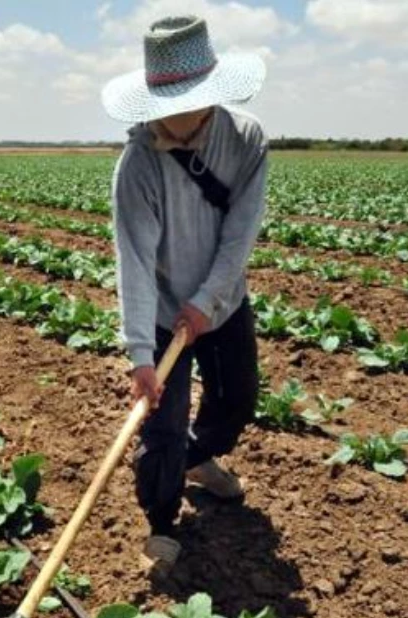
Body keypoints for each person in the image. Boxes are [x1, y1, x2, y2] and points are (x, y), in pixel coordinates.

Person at [101, 15, 268, 575]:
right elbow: (136, 263)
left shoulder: (246, 141)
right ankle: (161, 521)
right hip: (161, 311)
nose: (178, 114)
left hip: (221, 302)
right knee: (163, 423)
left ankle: (193, 462)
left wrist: (207, 302)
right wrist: (141, 358)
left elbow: (238, 236)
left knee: (236, 403)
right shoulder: (139, 166)